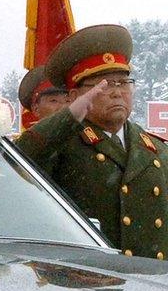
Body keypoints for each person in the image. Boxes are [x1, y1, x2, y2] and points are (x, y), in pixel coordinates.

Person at [16, 24, 168, 259]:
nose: (117, 92)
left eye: (123, 83)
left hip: (151, 283)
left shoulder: (155, 149)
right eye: (104, 85)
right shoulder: (60, 143)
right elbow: (20, 160)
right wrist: (69, 116)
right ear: (76, 96)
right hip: (85, 283)